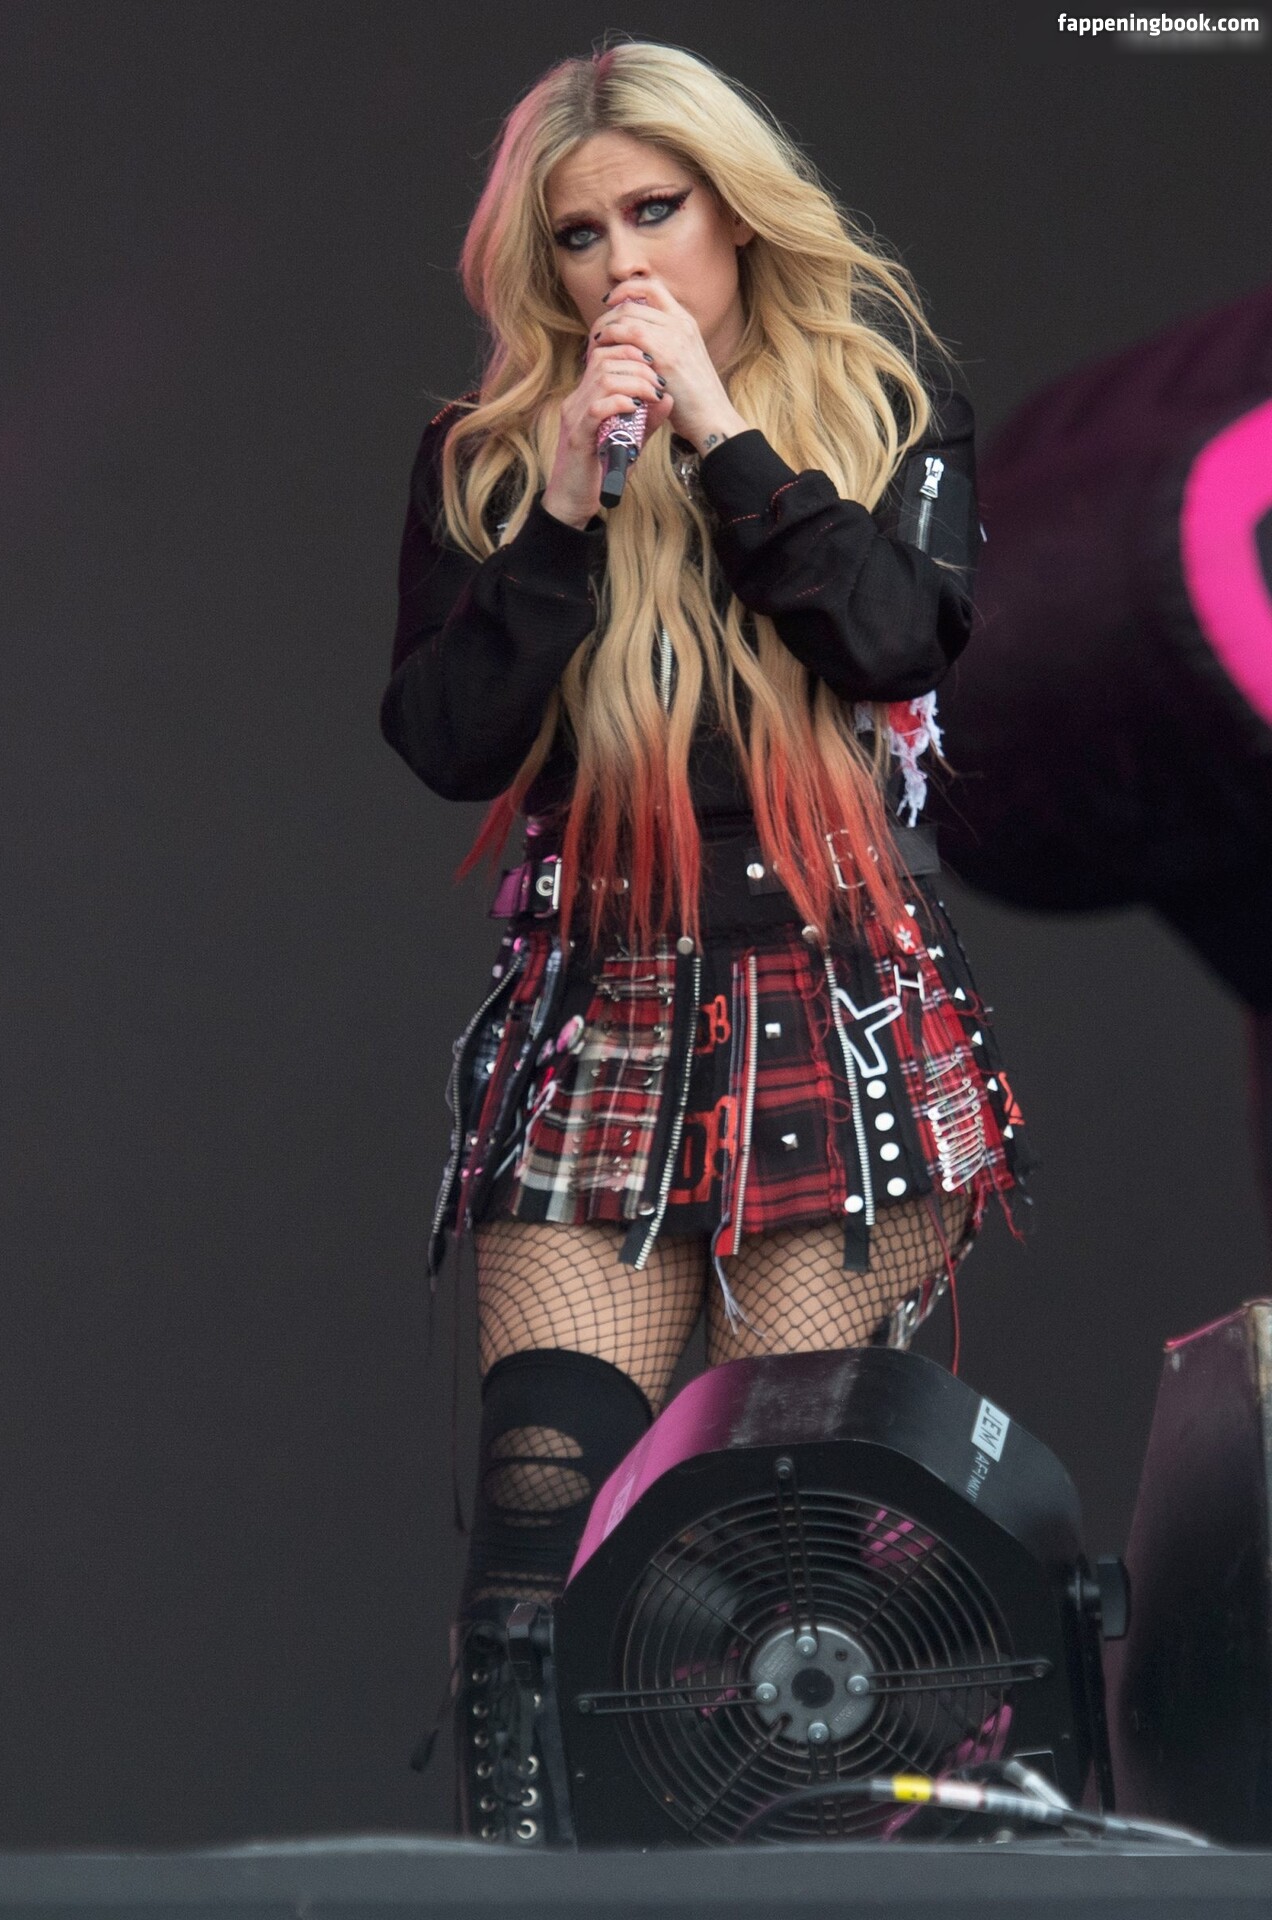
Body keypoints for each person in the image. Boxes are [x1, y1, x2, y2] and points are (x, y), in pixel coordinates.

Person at [381, 39, 1030, 1844]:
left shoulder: (882, 403)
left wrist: (725, 438)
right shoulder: (488, 458)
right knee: (539, 1524)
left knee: (775, 1554)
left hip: (830, 1008)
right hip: (604, 1009)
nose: (621, 267)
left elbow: (893, 640)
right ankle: (520, 1884)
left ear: (736, 213)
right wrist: (568, 508)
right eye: (579, 236)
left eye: (655, 213)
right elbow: (446, 740)